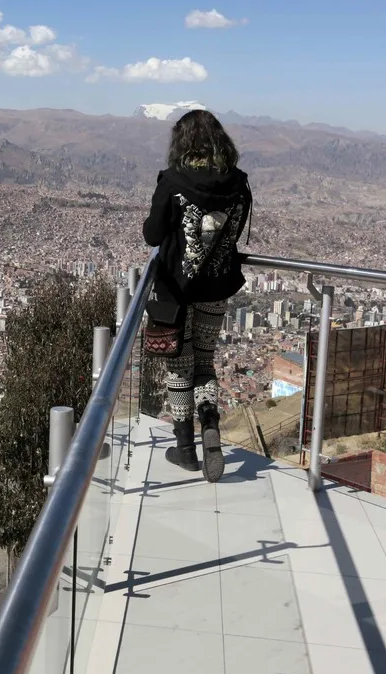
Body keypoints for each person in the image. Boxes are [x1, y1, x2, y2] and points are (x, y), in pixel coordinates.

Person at [142, 109, 253, 482]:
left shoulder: (173, 180)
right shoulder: (238, 182)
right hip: (216, 288)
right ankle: (210, 428)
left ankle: (186, 450)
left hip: (176, 291)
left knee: (179, 366)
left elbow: (153, 235)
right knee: (205, 364)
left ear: (182, 142)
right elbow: (234, 236)